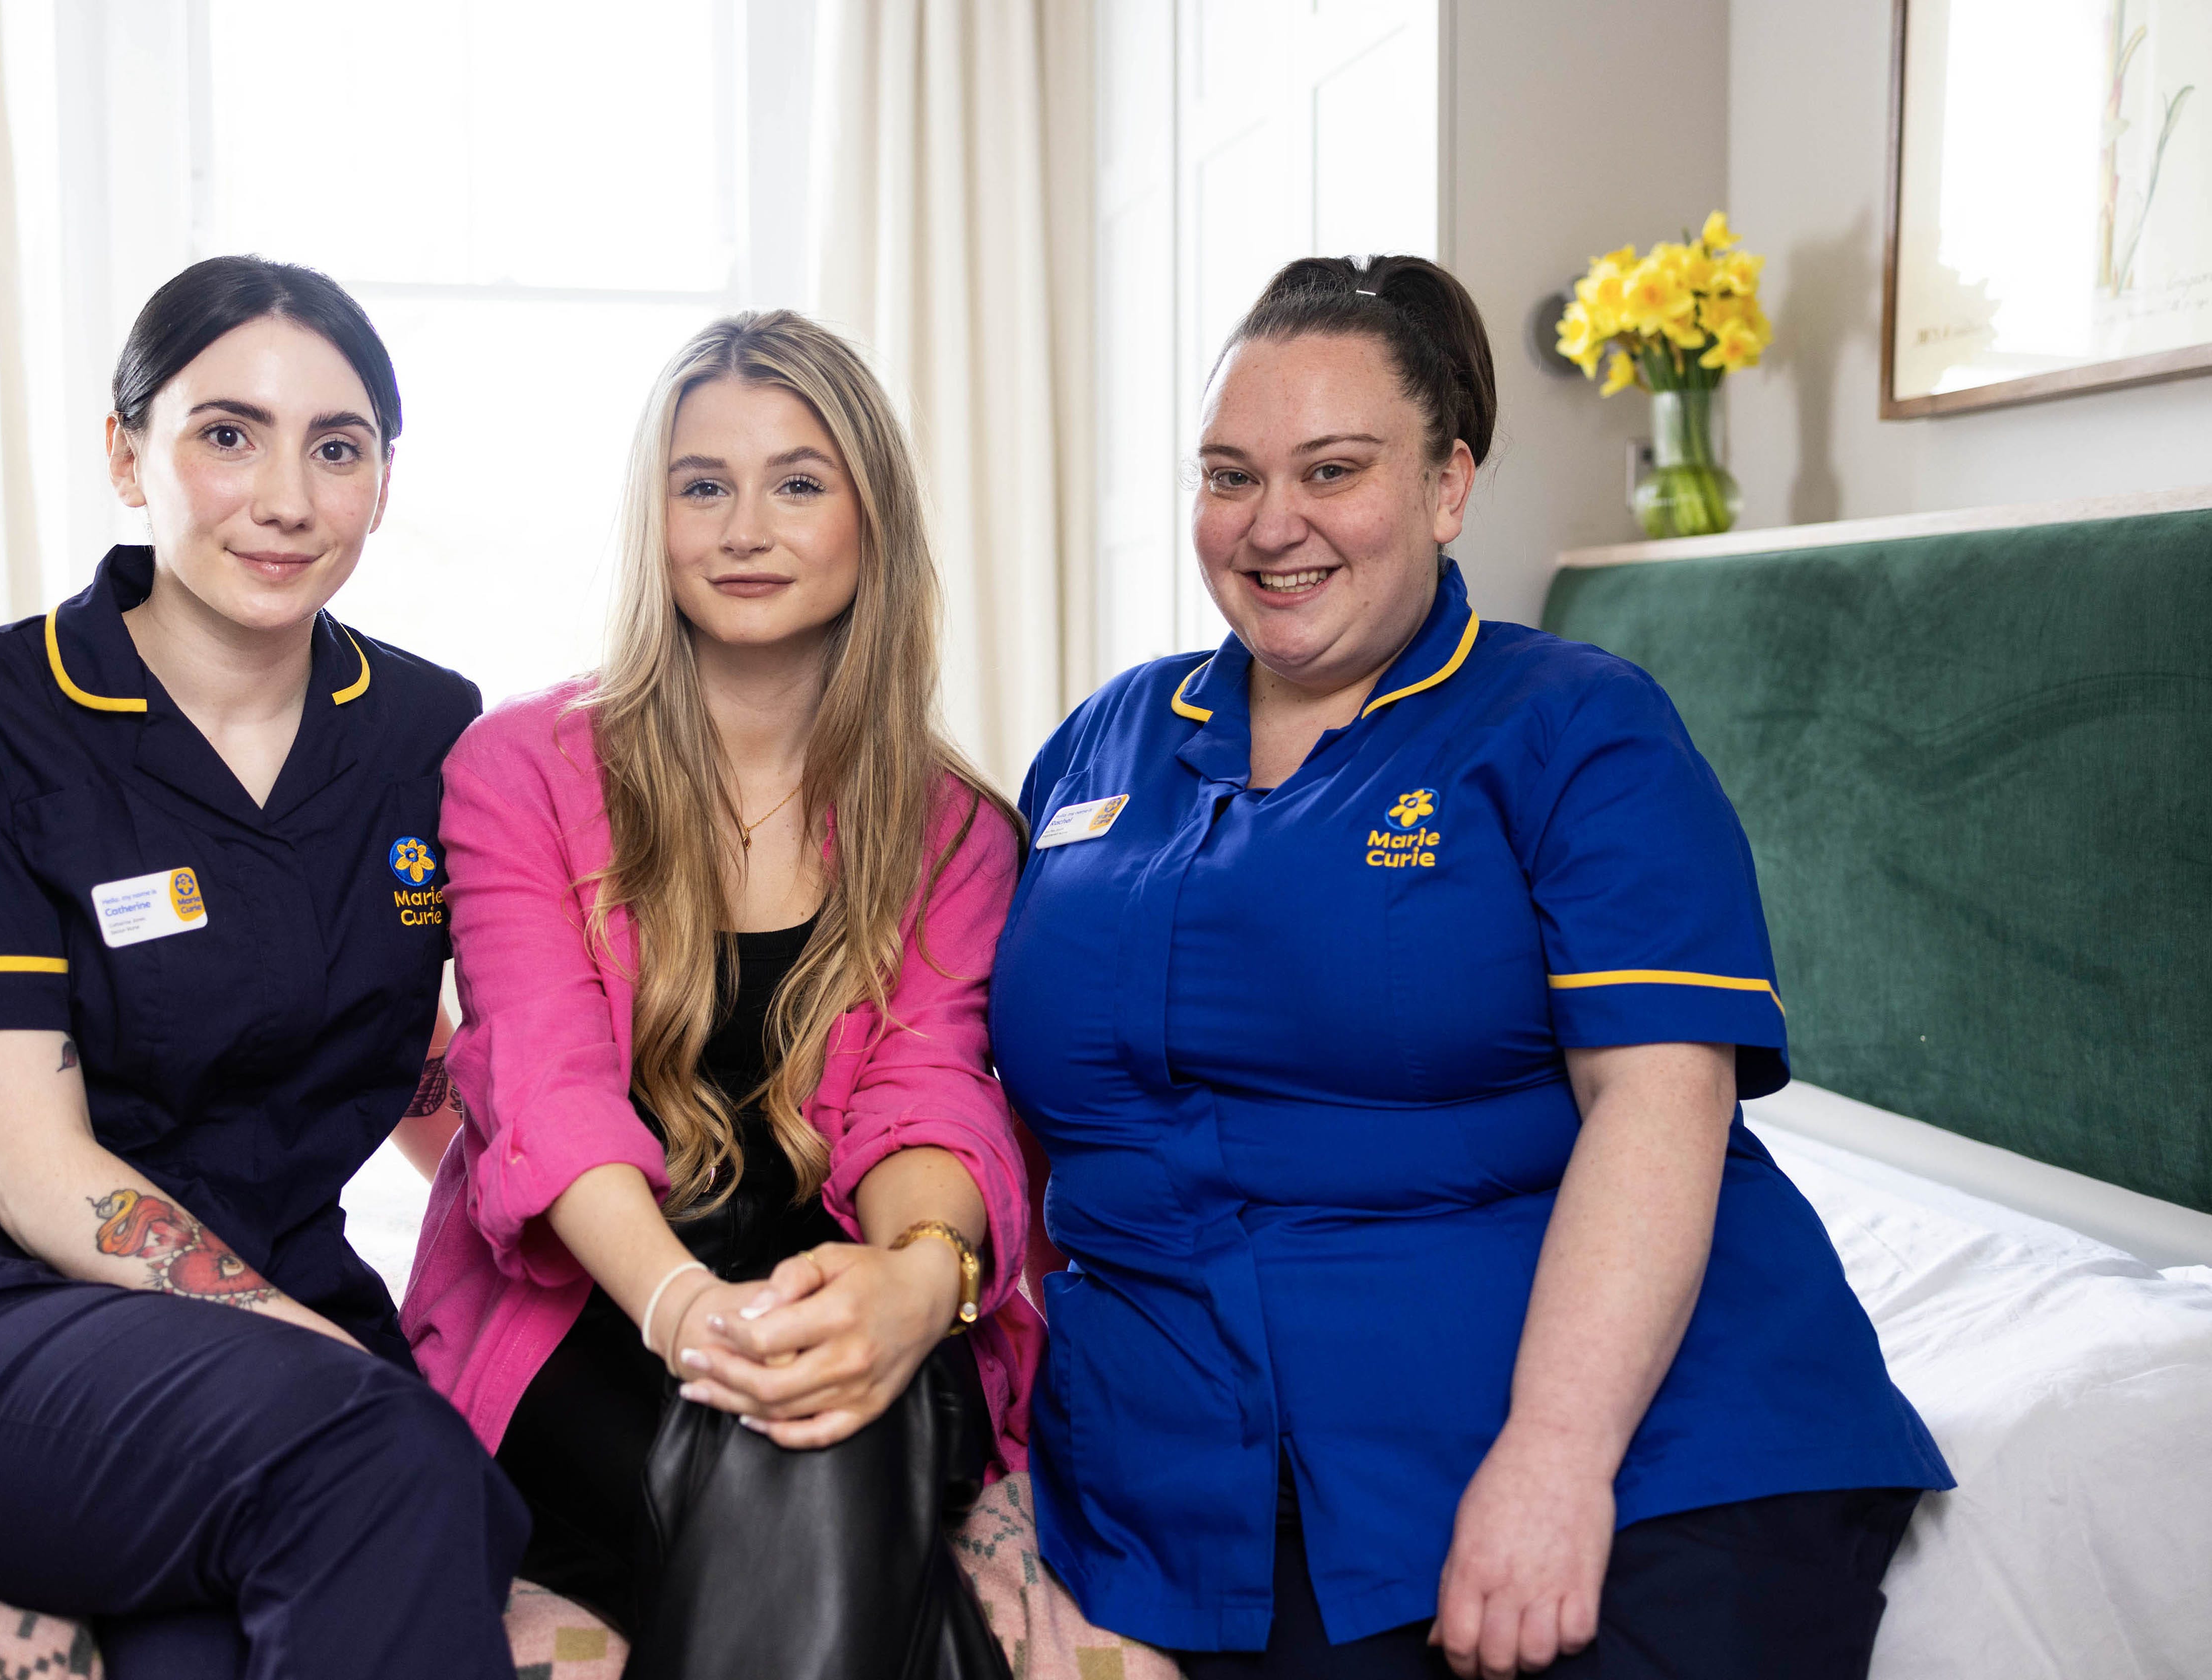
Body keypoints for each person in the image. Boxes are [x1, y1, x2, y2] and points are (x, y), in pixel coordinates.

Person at [989, 255, 1954, 1680]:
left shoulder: (1574, 728)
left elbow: (1657, 1104)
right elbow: (990, 1104)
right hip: (1192, 1489)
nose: (1272, 526)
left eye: (1333, 469)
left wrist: (1558, 1463)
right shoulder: (1103, 743)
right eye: (1230, 475)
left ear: (1449, 488)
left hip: (1631, 1451)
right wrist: (993, 1463)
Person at [0, 256, 525, 1678]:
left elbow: (423, 1066)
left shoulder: (427, 727)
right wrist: (308, 1348)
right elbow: (29, 1162)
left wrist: (624, 1253)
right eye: (226, 433)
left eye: (338, 448)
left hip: (253, 1339)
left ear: (385, 479)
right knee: (389, 1456)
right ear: (126, 454)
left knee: (347, 1561)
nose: (287, 498)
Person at [401, 309, 1030, 1680]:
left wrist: (918, 1290)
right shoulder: (518, 771)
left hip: (840, 1278)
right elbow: (551, 1100)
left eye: (798, 483)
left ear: (874, 522)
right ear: (657, 519)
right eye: (704, 485)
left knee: (827, 1426)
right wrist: (693, 1314)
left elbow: (928, 1094)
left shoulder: (958, 830)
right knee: (801, 1479)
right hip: (601, 1302)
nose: (746, 527)